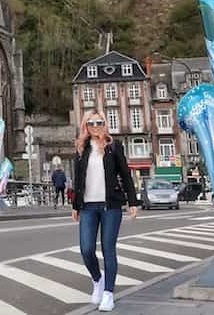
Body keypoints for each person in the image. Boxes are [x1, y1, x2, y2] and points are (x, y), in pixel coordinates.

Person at [72, 111, 138, 312]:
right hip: (88, 207)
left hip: (111, 206)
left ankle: (108, 294)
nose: (95, 126)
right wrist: (75, 206)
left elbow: (125, 174)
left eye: (99, 122)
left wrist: (132, 202)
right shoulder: (81, 148)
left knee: (109, 249)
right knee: (86, 249)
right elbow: (77, 179)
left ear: (104, 124)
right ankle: (97, 280)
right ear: (85, 125)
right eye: (91, 123)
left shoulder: (114, 146)